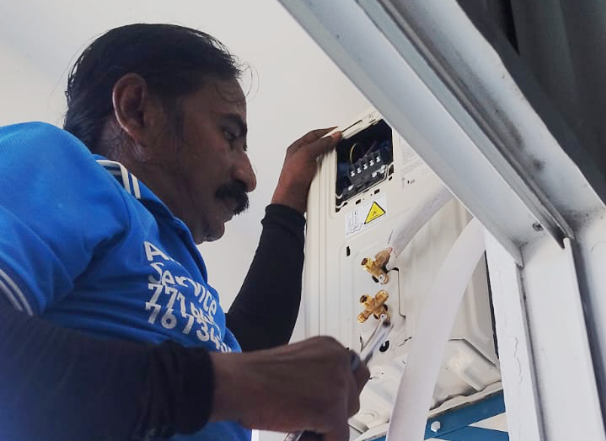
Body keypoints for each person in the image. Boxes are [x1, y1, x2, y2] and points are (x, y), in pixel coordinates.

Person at [0, 23, 369, 441]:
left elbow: (243, 350)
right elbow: (225, 380)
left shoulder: (173, 265)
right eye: (230, 135)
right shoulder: (57, 162)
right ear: (137, 111)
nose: (248, 176)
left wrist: (289, 202)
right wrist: (235, 385)